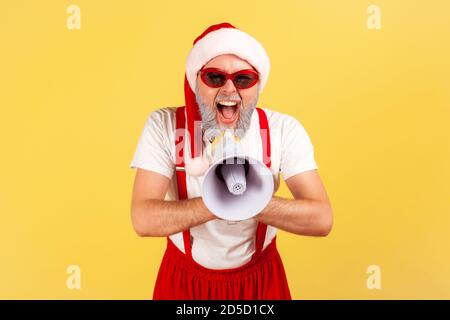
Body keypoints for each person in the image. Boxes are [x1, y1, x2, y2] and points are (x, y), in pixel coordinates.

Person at [129, 22, 333, 299]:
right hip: (183, 282)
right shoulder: (165, 125)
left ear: (257, 84)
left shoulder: (283, 129)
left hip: (259, 281)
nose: (229, 89)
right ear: (195, 80)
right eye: (214, 77)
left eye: (243, 79)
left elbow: (321, 219)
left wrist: (249, 200)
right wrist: (216, 201)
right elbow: (143, 220)